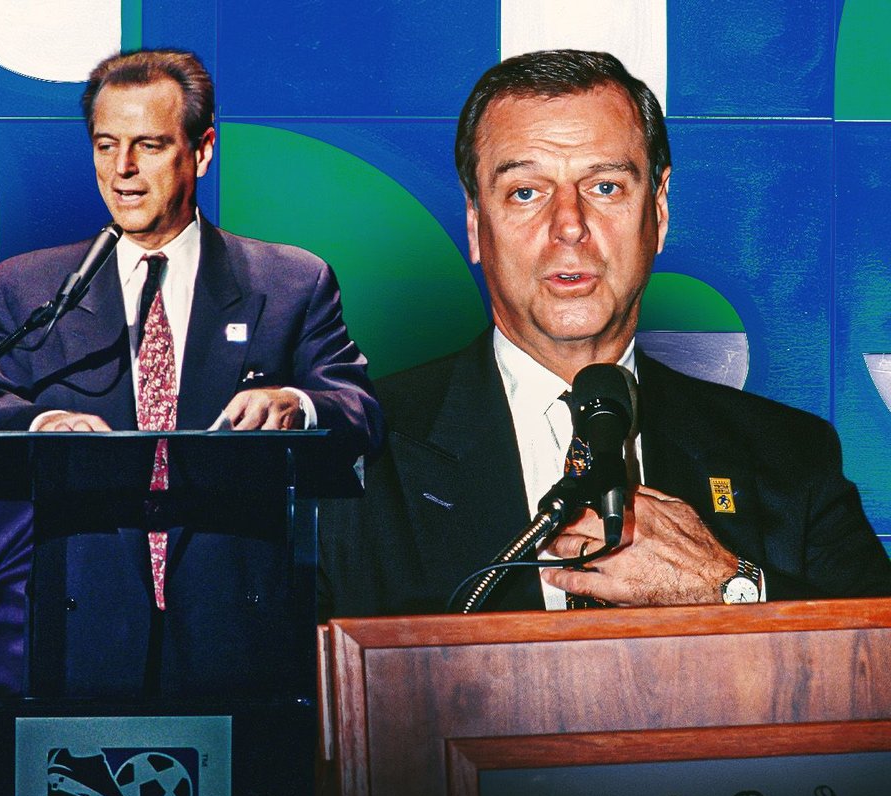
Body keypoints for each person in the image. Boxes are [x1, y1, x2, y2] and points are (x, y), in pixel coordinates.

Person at [320, 49, 891, 616]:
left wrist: (728, 588)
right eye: (526, 191)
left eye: (605, 188)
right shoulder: (357, 451)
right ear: (475, 223)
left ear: (658, 213)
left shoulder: (788, 455)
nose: (569, 225)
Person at [0, 49, 380, 695]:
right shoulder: (29, 287)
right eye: (105, 145)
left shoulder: (289, 282)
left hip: (240, 629)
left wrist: (297, 403)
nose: (122, 171)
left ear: (201, 151)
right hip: (79, 634)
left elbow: (358, 408)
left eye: (148, 145)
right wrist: (41, 421)